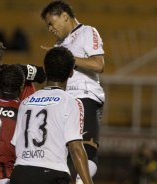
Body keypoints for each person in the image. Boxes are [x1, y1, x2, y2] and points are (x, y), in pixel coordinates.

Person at [41, 1, 105, 182]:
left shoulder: (87, 32)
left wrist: (66, 58)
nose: (50, 29)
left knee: (86, 150)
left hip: (83, 96)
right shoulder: (57, 45)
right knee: (62, 154)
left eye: (51, 23)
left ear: (64, 15)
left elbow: (99, 65)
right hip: (61, 100)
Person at [10, 47, 93, 184]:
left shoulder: (25, 102)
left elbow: (15, 145)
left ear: (45, 70)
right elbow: (76, 148)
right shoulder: (70, 102)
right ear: (71, 72)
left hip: (20, 173)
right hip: (52, 173)